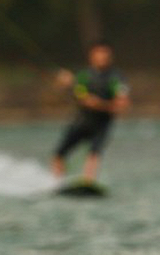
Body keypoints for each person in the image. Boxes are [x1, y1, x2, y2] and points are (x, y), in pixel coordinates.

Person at [51, 42, 130, 183]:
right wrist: (65, 83)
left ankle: (88, 181)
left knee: (94, 153)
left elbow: (122, 103)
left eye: (105, 55)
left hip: (102, 123)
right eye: (99, 55)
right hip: (81, 121)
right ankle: (57, 182)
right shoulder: (83, 76)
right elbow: (79, 95)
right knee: (58, 154)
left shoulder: (116, 78)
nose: (102, 58)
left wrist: (99, 104)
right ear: (91, 56)